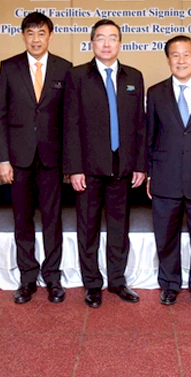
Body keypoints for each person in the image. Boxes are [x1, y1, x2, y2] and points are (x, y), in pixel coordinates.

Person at [63, 19, 147, 308]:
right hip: (87, 168)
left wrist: (140, 164)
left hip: (123, 168)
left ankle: (117, 281)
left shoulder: (133, 76)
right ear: (92, 43)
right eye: (101, 38)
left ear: (120, 43)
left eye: (113, 38)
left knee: (118, 227)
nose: (107, 43)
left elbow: (140, 126)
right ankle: (92, 284)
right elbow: (70, 123)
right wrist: (74, 167)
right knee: (87, 227)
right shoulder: (77, 76)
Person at [0, 12, 72, 304]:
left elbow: (70, 119)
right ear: (23, 36)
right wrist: (2, 158)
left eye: (41, 33)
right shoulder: (9, 68)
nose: (36, 39)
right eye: (30, 33)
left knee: (53, 219)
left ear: (50, 35)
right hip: (18, 158)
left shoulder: (64, 69)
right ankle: (27, 278)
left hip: (52, 158)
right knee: (22, 219)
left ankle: (53, 277)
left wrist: (71, 162)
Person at [146, 35, 191, 306]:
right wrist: (150, 174)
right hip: (165, 178)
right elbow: (150, 137)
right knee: (165, 236)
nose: (181, 60)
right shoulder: (154, 93)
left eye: (186, 55)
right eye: (175, 55)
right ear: (168, 60)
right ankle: (169, 283)